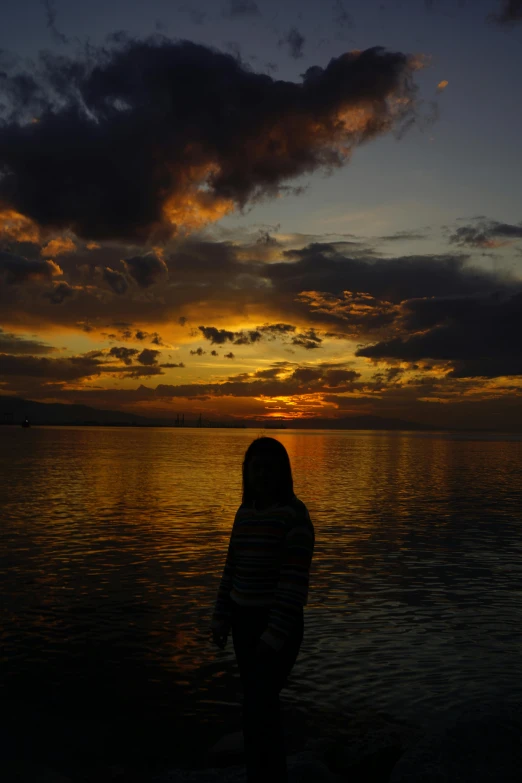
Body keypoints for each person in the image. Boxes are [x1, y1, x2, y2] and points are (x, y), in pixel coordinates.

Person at [209, 436, 315, 783]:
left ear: (283, 472)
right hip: (243, 622)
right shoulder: (245, 512)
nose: (263, 474)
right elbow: (231, 567)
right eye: (257, 468)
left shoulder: (294, 517)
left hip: (276, 625)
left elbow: (293, 584)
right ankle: (262, 773)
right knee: (256, 705)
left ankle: (269, 775)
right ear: (247, 473)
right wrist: (221, 616)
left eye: (271, 468)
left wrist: (272, 637)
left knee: (260, 705)